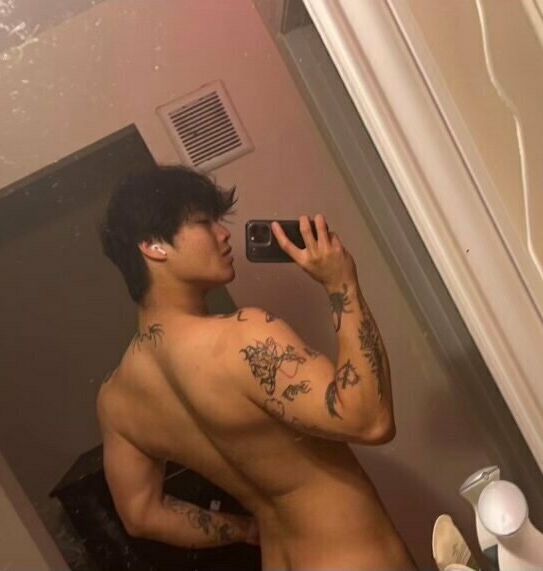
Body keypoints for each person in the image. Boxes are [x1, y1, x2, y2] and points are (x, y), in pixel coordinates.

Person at [95, 165, 417, 570]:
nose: (223, 233)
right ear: (154, 246)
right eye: (204, 222)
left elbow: (141, 515)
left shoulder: (116, 398)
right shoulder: (243, 337)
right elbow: (370, 421)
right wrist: (341, 284)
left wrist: (244, 530)